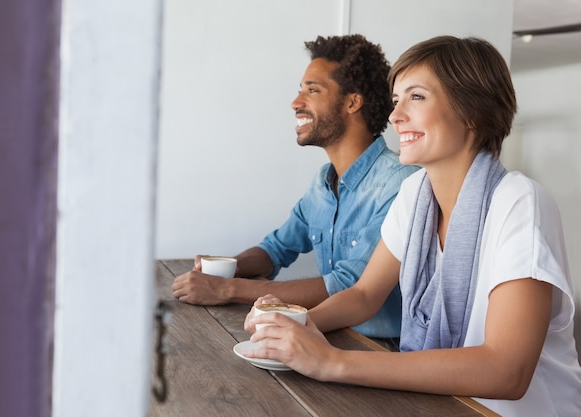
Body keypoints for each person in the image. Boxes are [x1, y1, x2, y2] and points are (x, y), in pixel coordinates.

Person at [243, 35, 581, 417]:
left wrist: (331, 361)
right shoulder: (415, 192)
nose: (395, 115)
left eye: (416, 97)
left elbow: (507, 370)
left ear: (472, 112)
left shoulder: (520, 202)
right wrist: (295, 324)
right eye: (395, 100)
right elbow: (365, 294)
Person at [172, 34, 420, 340]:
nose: (296, 103)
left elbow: (349, 285)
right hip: (324, 336)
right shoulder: (323, 182)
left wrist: (228, 289)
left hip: (379, 352)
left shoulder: (400, 182)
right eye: (300, 90)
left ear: (353, 102)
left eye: (312, 90)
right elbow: (276, 249)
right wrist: (226, 267)